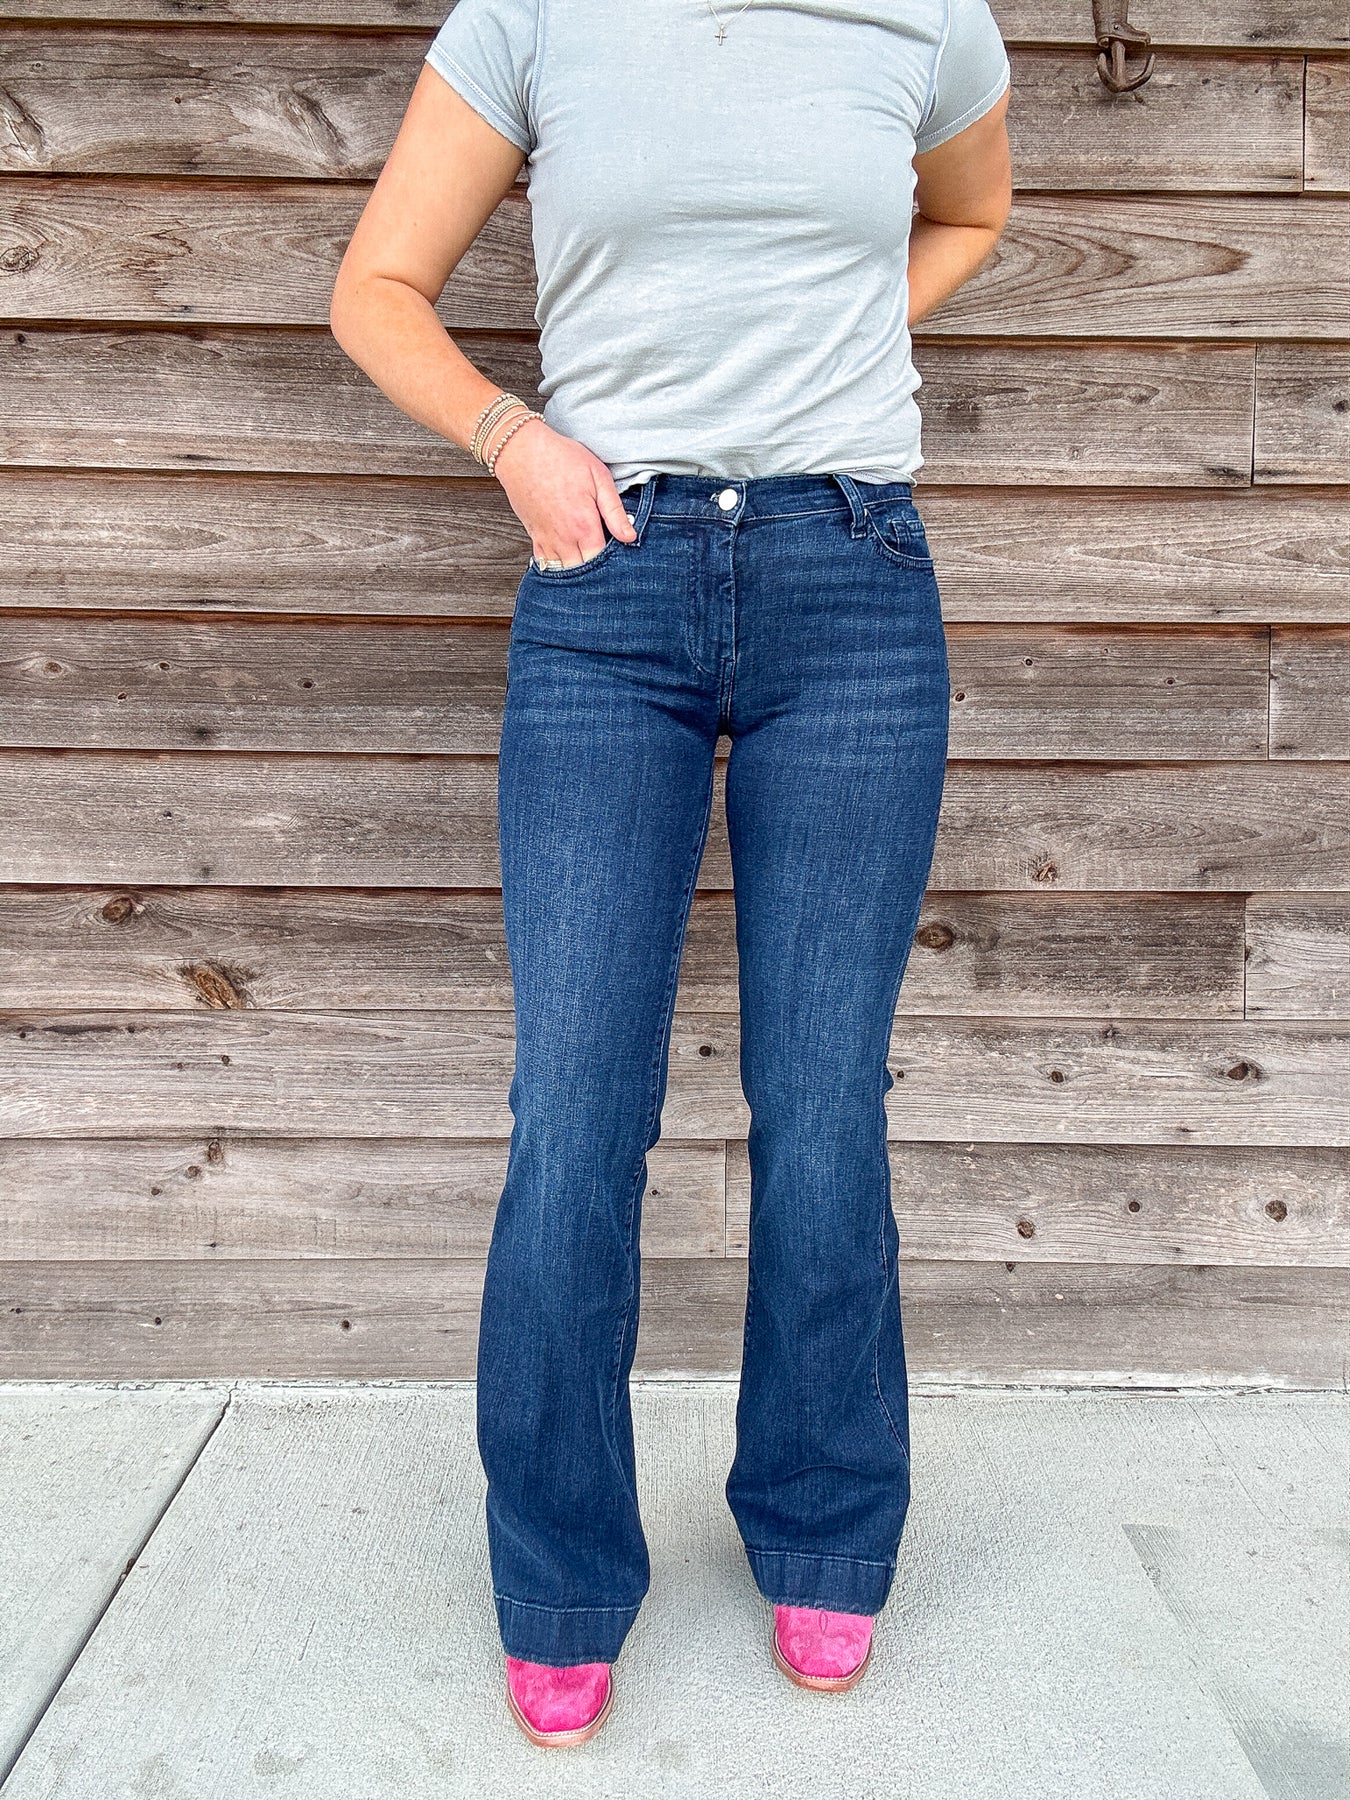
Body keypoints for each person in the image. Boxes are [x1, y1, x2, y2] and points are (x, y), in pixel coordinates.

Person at [330, 0, 1011, 1748]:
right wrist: (513, 439)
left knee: (822, 1100)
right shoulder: (532, 17)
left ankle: (823, 1530)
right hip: (606, 581)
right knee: (573, 1109)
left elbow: (972, 212)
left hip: (849, 576)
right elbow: (376, 289)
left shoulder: (925, 15)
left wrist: (843, 331)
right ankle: (560, 1579)